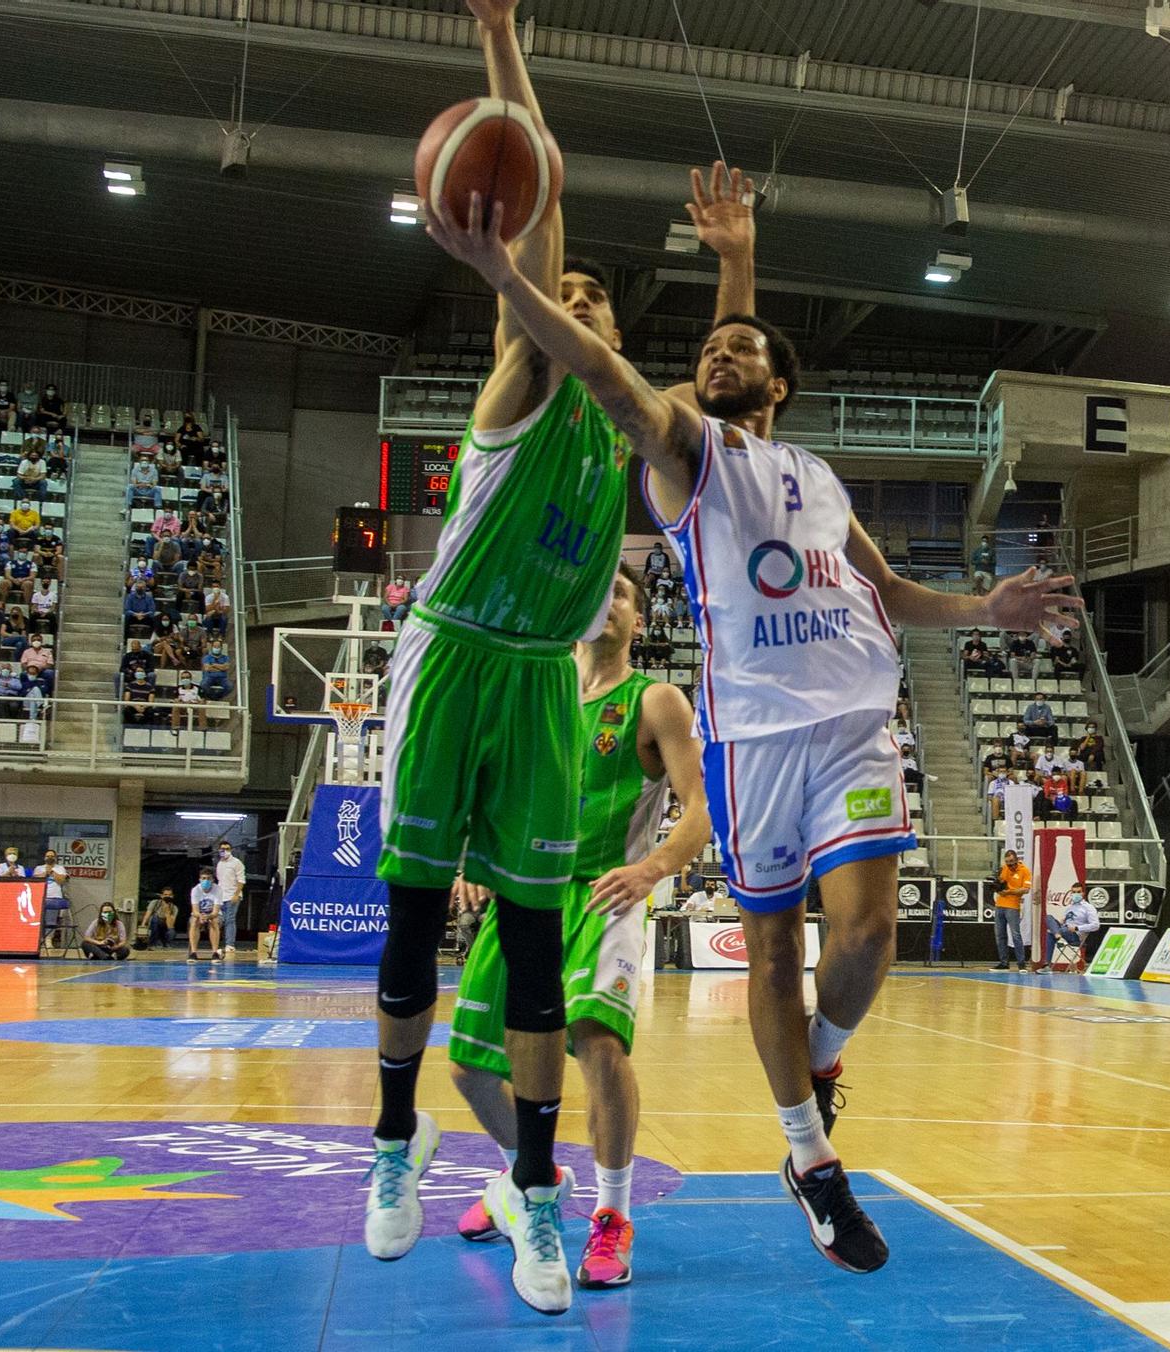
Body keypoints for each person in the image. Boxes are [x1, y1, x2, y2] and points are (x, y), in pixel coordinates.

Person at [426, 130, 1080, 1278]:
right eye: (708, 350)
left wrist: (989, 606)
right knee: (772, 954)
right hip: (753, 736)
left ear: (780, 382)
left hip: (852, 721)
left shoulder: (818, 480)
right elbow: (607, 377)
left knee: (870, 935)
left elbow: (891, 592)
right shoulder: (685, 457)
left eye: (742, 351)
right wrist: (507, 278)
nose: (718, 357)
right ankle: (808, 1158)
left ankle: (817, 1064)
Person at [358, 4, 702, 1312]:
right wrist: (500, 38)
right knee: (407, 918)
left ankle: (543, 1201)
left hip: (543, 679)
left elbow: (556, 231)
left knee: (535, 939)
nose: (573, 299)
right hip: (455, 656)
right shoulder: (520, 381)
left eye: (591, 297)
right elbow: (538, 174)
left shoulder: (618, 430)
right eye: (558, 291)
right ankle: (394, 1152)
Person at [446, 564, 712, 1290]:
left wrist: (651, 871)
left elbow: (700, 810)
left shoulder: (654, 700)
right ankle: (527, 1176)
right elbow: (502, 788)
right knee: (470, 1068)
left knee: (596, 1044)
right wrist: (478, 853)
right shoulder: (540, 693)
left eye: (620, 594)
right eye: (595, 593)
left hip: (606, 894)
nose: (605, 603)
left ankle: (612, 1216)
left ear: (638, 620)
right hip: (524, 891)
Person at [1040, 882, 1102, 971]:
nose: (1076, 894)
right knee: (1049, 917)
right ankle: (1057, 935)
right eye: (1073, 892)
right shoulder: (1070, 907)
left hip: (1075, 934)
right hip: (1064, 930)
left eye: (1078, 892)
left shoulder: (1088, 907)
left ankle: (1047, 965)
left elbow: (1096, 925)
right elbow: (1064, 922)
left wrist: (1077, 928)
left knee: (1050, 933)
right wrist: (1062, 921)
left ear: (1083, 893)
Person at [992, 850, 1031, 971]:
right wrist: (998, 886)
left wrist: (1009, 891)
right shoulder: (1004, 869)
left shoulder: (1024, 870)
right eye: (1007, 862)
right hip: (1000, 904)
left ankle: (1021, 963)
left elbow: (1025, 890)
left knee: (1016, 935)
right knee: (1000, 935)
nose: (1010, 865)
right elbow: (1001, 884)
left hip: (1013, 906)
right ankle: (1004, 963)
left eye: (1012, 862)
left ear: (1016, 860)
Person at [213, 840, 245, 955]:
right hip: (221, 896)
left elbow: (241, 880)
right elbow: (219, 880)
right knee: (219, 920)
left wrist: (236, 895)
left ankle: (230, 944)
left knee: (230, 920)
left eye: (227, 849)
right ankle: (217, 944)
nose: (224, 851)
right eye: (222, 849)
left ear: (230, 850)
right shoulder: (219, 863)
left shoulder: (237, 863)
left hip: (232, 896)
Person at [187, 866, 221, 961]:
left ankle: (215, 953)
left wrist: (209, 916)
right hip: (199, 914)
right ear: (200, 879)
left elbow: (216, 911)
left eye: (208, 878)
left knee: (214, 921)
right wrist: (200, 916)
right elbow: (195, 910)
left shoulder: (218, 890)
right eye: (203, 878)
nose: (206, 880)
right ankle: (193, 953)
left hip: (213, 914)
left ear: (213, 880)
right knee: (194, 921)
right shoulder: (195, 890)